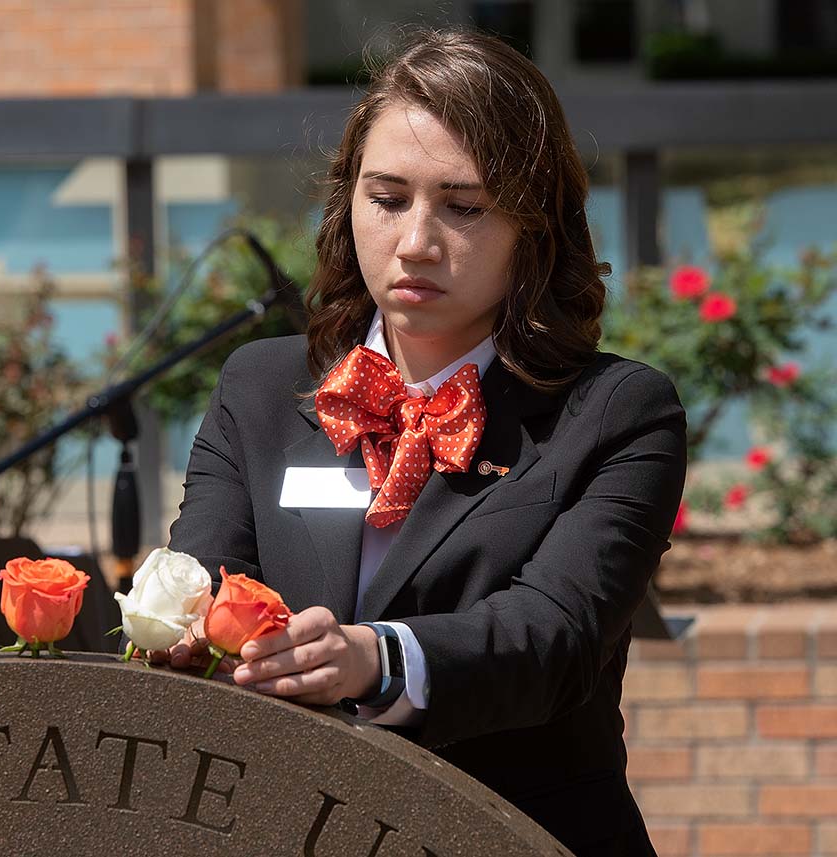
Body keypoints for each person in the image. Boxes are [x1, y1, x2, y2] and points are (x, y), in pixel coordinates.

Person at [154, 28, 686, 857]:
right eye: (388, 197)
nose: (415, 242)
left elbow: (553, 638)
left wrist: (372, 659)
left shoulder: (617, 412)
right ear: (348, 202)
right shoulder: (259, 389)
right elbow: (207, 581)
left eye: (463, 206)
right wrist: (185, 633)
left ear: (535, 226)